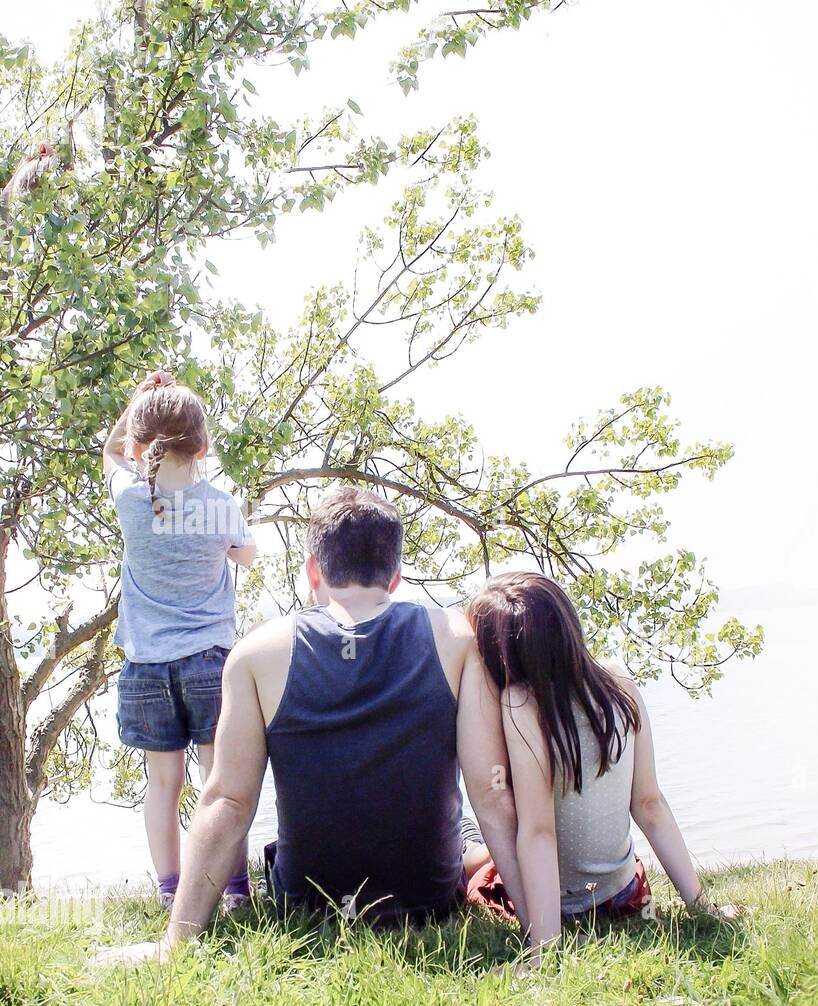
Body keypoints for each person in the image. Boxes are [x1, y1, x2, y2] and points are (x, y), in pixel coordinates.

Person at [92, 487, 527, 966]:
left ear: (313, 569)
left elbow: (228, 802)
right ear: (395, 575)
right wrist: (536, 929)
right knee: (466, 824)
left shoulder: (256, 655)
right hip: (428, 899)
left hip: (309, 903)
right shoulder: (458, 638)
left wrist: (175, 943)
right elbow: (490, 792)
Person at [464, 572, 739, 965]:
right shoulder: (620, 681)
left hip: (562, 907)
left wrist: (544, 949)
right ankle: (467, 845)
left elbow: (539, 833)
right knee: (479, 851)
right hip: (626, 896)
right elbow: (649, 804)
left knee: (475, 875)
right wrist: (700, 905)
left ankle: (463, 847)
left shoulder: (519, 703)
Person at [104, 369, 257, 909]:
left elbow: (110, 451)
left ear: (140, 444)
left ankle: (173, 892)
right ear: (205, 445)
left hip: (146, 665)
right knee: (221, 784)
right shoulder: (220, 504)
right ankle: (233, 889)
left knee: (162, 785)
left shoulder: (129, 498)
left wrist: (137, 402)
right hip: (210, 662)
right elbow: (247, 554)